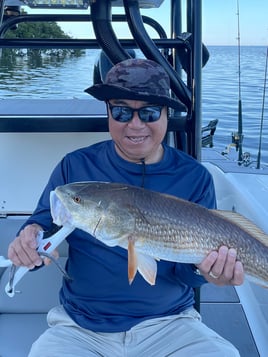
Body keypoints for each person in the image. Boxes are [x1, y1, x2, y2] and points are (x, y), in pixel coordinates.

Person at [8, 58, 244, 356]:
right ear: (108, 113)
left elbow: (188, 276)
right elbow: (43, 222)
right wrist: (28, 237)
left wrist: (208, 274)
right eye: (121, 111)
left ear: (166, 114)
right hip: (80, 328)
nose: (135, 124)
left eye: (148, 112)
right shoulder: (75, 168)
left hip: (170, 325)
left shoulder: (194, 177)